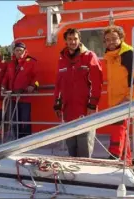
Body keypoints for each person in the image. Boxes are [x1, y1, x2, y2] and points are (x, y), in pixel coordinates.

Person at [103, 25, 134, 165]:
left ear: (121, 38)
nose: (111, 42)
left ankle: (114, 160)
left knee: (118, 132)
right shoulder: (111, 56)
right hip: (115, 103)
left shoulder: (128, 54)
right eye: (107, 40)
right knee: (122, 134)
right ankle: (126, 164)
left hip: (124, 103)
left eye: (114, 38)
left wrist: (129, 98)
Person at [53, 28, 103, 158]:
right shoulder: (62, 59)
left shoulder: (89, 56)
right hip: (68, 109)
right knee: (71, 144)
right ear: (66, 41)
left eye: (75, 38)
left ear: (79, 39)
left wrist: (92, 104)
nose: (73, 41)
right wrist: (57, 103)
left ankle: (85, 171)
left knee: (84, 144)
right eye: (70, 39)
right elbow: (59, 83)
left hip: (85, 109)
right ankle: (73, 173)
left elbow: (96, 82)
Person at [1, 42, 39, 139]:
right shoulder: (10, 64)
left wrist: (33, 85)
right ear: (14, 51)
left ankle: (26, 141)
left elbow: (37, 77)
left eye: (21, 50)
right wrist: (3, 87)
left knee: (25, 120)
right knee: (14, 120)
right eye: (17, 50)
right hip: (12, 97)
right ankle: (16, 139)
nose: (19, 52)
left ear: (25, 51)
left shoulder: (31, 62)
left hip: (25, 97)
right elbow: (6, 77)